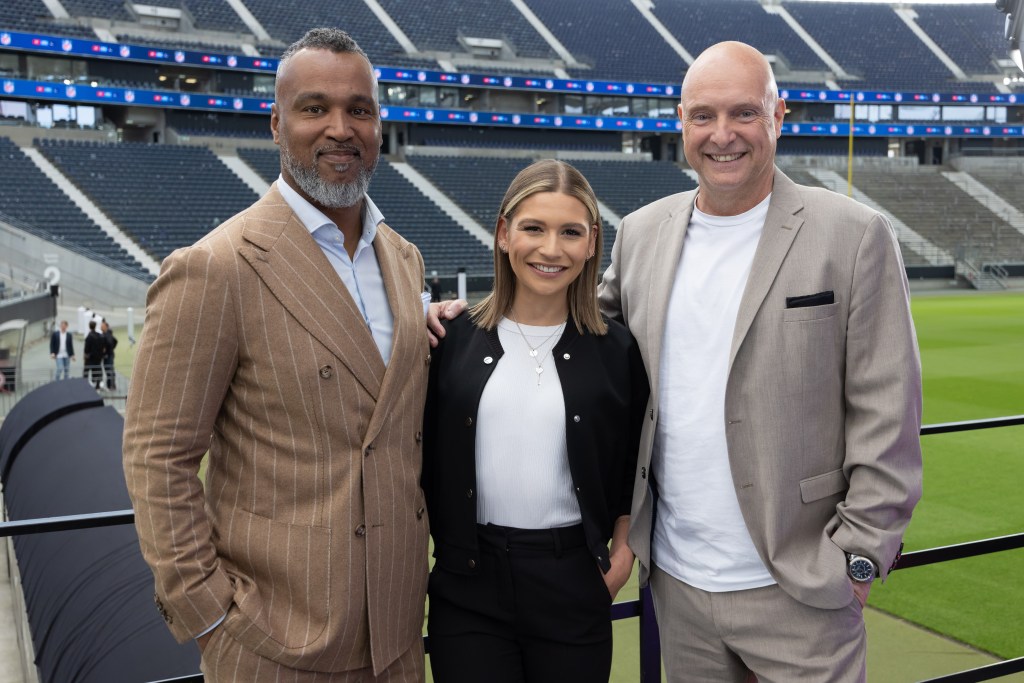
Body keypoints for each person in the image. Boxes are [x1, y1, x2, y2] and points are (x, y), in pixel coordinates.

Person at [595, 42, 923, 681]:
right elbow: (572, 329)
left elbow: (890, 410)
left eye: (744, 113)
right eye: (703, 116)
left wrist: (856, 561)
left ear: (779, 115)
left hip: (802, 591)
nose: (723, 135)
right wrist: (460, 318)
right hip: (678, 587)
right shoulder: (640, 232)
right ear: (680, 122)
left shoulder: (854, 234)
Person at [123, 28, 430, 683]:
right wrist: (209, 613)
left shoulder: (403, 259)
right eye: (315, 108)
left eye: (360, 109)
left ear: (381, 125)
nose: (341, 128)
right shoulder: (215, 267)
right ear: (276, 124)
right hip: (274, 646)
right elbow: (158, 456)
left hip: (399, 639)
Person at [422, 159, 649, 683]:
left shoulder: (617, 351)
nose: (551, 249)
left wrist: (622, 556)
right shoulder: (448, 341)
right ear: (503, 234)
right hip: (468, 586)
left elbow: (631, 470)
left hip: (573, 581)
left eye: (570, 232)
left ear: (593, 243)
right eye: (533, 228)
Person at [82, 320, 104, 390]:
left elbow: (86, 348)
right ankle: (97, 384)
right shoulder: (99, 335)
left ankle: (84, 384)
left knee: (86, 371)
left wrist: (85, 355)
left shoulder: (89, 337)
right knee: (97, 371)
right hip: (97, 357)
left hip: (90, 357)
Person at [100, 320, 117, 390]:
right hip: (109, 355)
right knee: (109, 370)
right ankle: (111, 385)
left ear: (106, 327)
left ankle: (111, 385)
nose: (101, 327)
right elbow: (115, 341)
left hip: (108, 356)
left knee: (109, 370)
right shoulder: (107, 334)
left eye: (102, 326)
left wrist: (106, 351)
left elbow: (111, 343)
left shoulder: (107, 335)